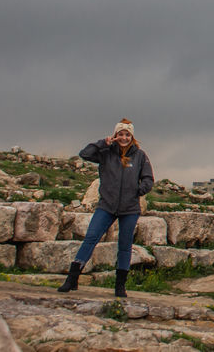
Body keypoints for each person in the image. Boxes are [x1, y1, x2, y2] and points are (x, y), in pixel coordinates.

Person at [57, 119, 155, 297]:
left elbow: (148, 179)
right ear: (116, 135)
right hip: (106, 206)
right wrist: (103, 143)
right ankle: (72, 279)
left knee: (125, 246)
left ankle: (120, 286)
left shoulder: (140, 156)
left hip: (130, 208)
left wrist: (138, 191)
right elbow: (84, 154)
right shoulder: (106, 152)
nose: (124, 137)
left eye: (127, 135)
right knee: (91, 238)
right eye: (121, 134)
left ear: (132, 137)